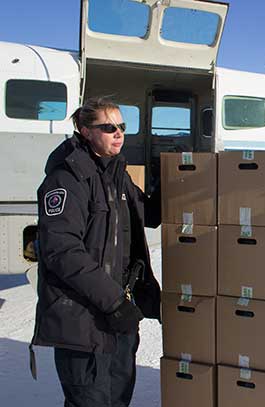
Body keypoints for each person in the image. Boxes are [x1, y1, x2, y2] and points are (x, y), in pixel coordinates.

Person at [30, 97, 161, 407]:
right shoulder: (66, 179)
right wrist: (114, 301)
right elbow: (62, 251)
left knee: (118, 399)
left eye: (122, 126)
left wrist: (178, 178)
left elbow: (150, 215)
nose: (118, 133)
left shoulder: (117, 175)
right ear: (85, 131)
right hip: (83, 320)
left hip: (118, 316)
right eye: (108, 127)